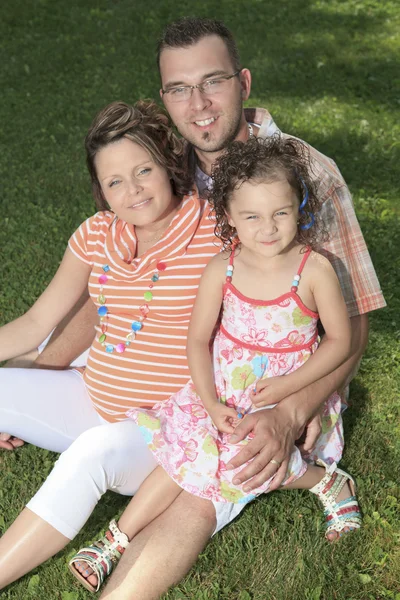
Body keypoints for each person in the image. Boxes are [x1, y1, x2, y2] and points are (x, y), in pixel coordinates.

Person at [0, 17, 385, 600]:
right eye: (179, 89)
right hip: (176, 379)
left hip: (257, 390)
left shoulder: (303, 179)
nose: (198, 105)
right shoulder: (160, 166)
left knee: (196, 494)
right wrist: (42, 371)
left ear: (245, 82)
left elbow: (349, 329)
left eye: (214, 82)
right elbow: (114, 294)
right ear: (164, 98)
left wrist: (289, 412)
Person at [68, 135, 361, 593]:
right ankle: (117, 539)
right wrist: (206, 400)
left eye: (280, 213)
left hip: (285, 391)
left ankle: (323, 481)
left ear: (299, 207)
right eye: (251, 216)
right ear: (228, 217)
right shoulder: (221, 269)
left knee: (239, 463)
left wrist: (288, 389)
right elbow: (197, 340)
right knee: (180, 452)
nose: (268, 228)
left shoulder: (314, 269)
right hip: (222, 392)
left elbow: (340, 343)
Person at [0, 99, 222, 590]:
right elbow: (36, 321)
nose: (133, 190)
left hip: (160, 433)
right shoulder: (98, 234)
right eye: (114, 181)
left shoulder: (216, 231)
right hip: (92, 395)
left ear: (167, 165)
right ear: (100, 189)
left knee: (93, 453)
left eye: (143, 170)